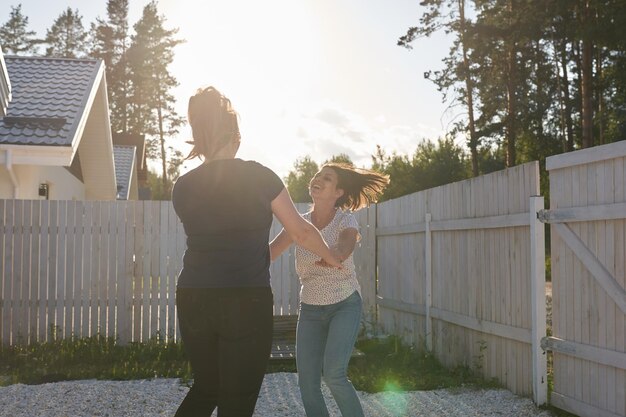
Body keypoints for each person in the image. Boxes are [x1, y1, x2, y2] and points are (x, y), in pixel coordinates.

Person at [171, 86, 342, 417]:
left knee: (207, 388)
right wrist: (333, 257)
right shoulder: (260, 177)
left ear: (201, 139)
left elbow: (227, 244)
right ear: (235, 134)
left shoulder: (184, 187)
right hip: (244, 301)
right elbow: (301, 231)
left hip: (193, 296)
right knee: (236, 400)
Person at [270, 162, 389, 417]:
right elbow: (271, 251)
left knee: (334, 374)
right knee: (307, 383)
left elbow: (344, 247)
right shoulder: (299, 224)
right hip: (310, 310)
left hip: (344, 305)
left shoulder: (346, 220)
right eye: (317, 176)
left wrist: (333, 255)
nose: (318, 179)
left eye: (327, 178)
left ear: (338, 192)